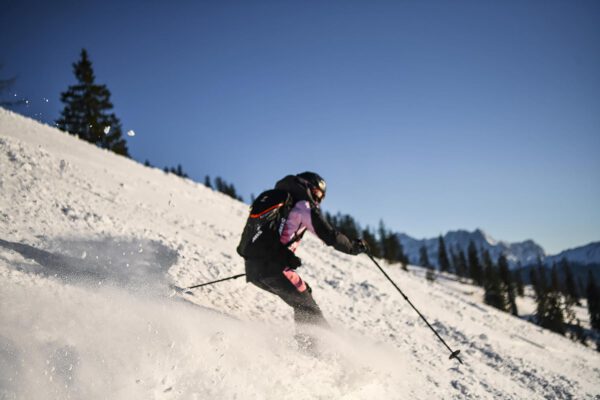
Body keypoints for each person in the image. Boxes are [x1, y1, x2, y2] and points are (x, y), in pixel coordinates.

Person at [242, 172, 367, 349]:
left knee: (304, 296)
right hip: (273, 268)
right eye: (317, 194)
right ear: (307, 187)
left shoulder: (284, 201)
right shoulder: (302, 205)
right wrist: (353, 247)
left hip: (255, 268)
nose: (318, 200)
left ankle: (309, 348)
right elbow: (328, 234)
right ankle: (321, 351)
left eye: (321, 197)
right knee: (309, 309)